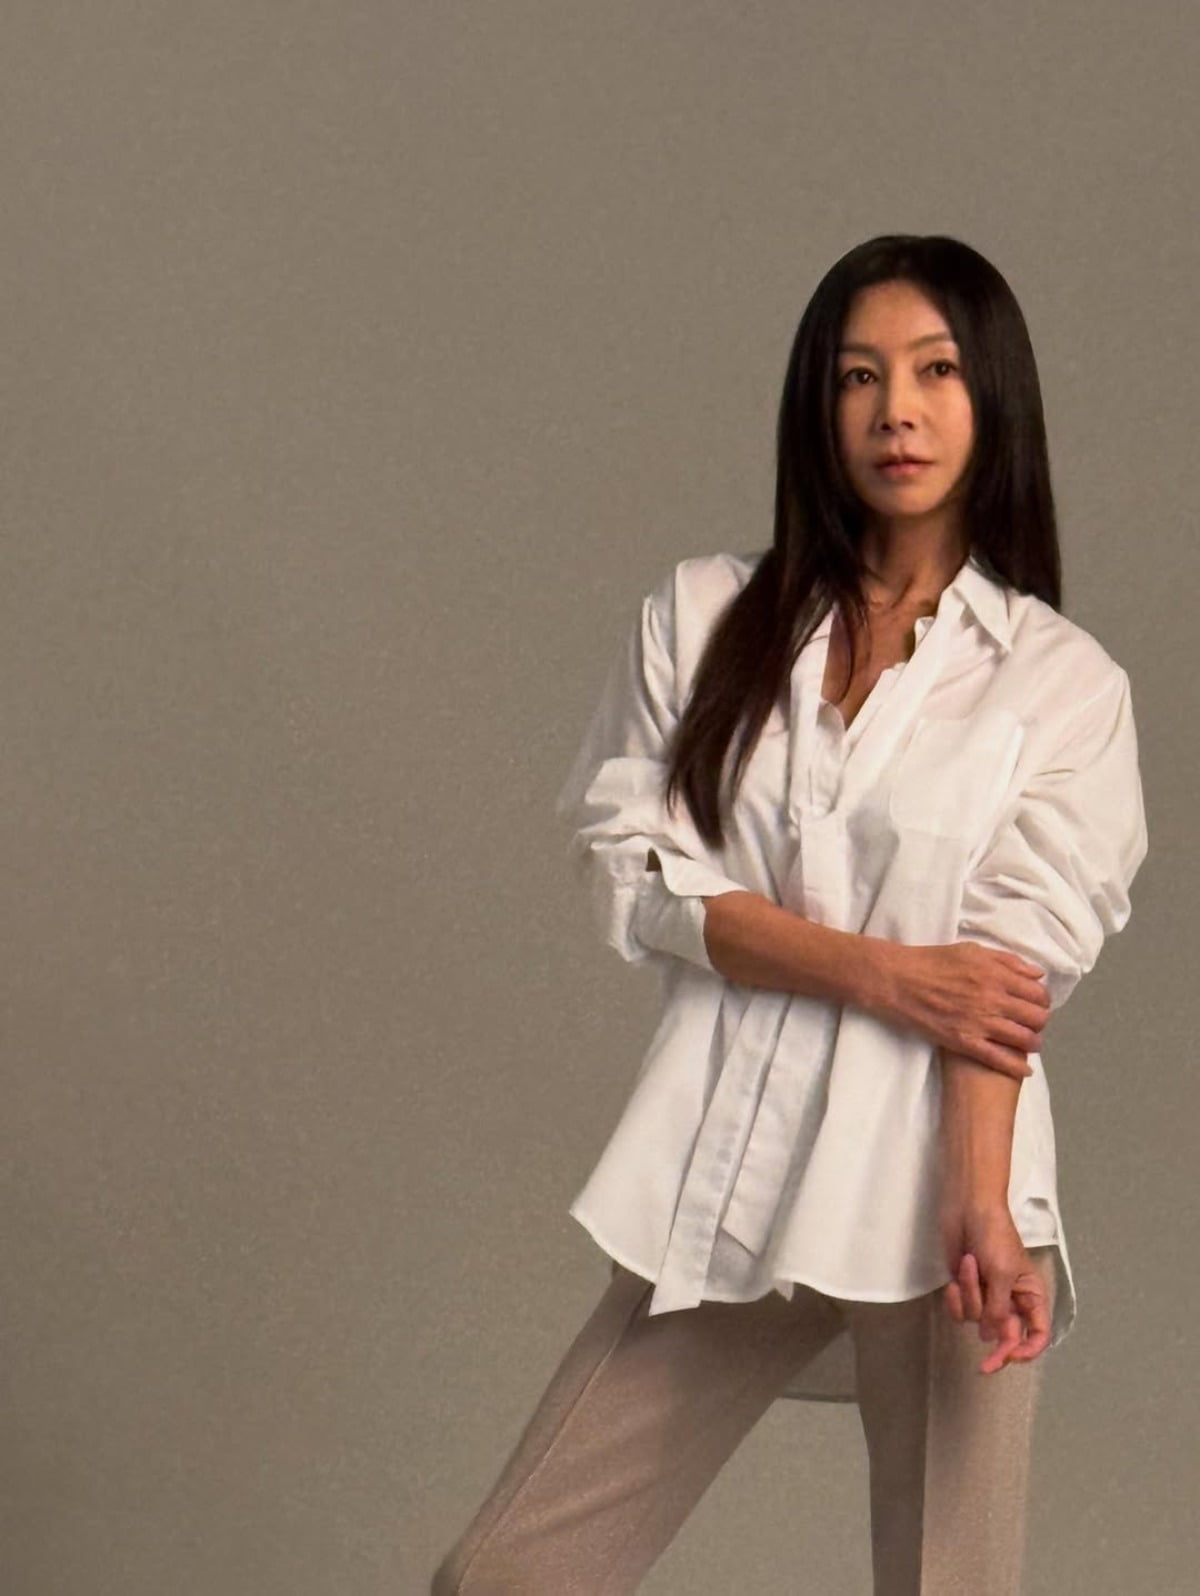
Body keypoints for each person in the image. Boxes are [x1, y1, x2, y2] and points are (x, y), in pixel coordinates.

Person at [431, 234, 1149, 1595]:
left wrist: (982, 1202)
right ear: (818, 405)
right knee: (505, 1575)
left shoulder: (1062, 685)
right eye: (859, 376)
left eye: (936, 372)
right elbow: (637, 873)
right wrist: (881, 973)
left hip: (947, 1182)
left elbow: (1001, 974)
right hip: (737, 1158)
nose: (897, 411)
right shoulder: (705, 616)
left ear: (993, 397)